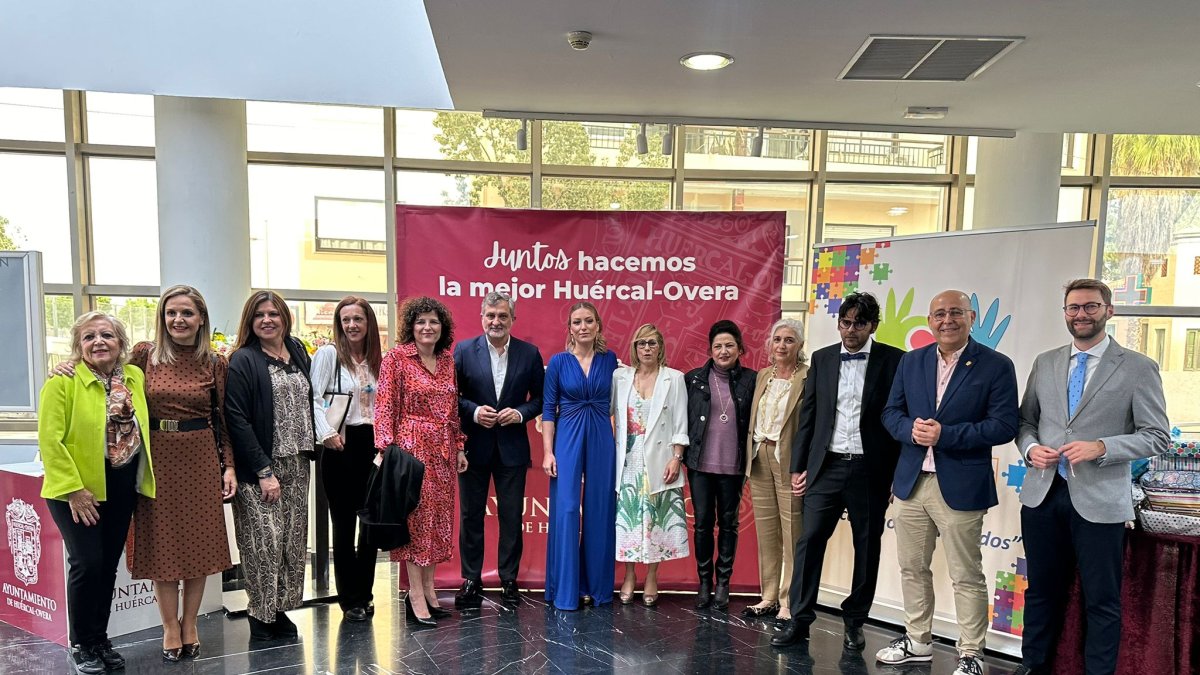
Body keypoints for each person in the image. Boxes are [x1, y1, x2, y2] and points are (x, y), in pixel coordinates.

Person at [47, 286, 237, 661]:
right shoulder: (144, 356)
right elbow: (99, 371)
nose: (178, 320)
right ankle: (167, 628)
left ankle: (190, 624)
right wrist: (65, 365)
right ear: (162, 318)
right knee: (162, 545)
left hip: (198, 456)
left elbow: (223, 420)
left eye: (186, 313)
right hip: (154, 460)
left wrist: (228, 464)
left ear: (201, 319)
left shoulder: (215, 362)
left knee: (198, 544)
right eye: (171, 313)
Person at [1013, 279, 1169, 675]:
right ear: (1064, 312)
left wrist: (1102, 447)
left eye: (1090, 307)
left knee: (1102, 600)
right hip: (1042, 495)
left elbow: (1157, 436)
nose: (1081, 314)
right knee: (1041, 592)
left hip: (1100, 500)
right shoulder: (1045, 361)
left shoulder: (1138, 367)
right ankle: (1033, 665)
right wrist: (1031, 449)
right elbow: (1026, 422)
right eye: (1073, 308)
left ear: (1109, 311)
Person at [877, 289, 1018, 675]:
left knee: (965, 574)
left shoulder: (996, 365)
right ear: (929, 321)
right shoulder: (912, 361)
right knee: (911, 568)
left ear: (970, 317)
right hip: (911, 482)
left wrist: (946, 435)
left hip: (961, 485)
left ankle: (971, 654)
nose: (947, 320)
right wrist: (910, 430)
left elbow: (1004, 425)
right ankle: (918, 641)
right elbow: (891, 413)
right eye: (939, 314)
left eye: (956, 312)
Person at [771, 292, 903, 650]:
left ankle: (855, 621)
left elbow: (899, 422)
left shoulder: (895, 361)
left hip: (870, 470)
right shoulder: (823, 358)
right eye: (845, 322)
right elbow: (809, 417)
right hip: (825, 467)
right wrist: (800, 466)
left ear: (873, 325)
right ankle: (799, 620)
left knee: (866, 546)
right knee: (809, 541)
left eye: (859, 323)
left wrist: (897, 473)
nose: (851, 330)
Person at [39, 312, 156, 674]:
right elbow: (50, 440)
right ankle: (81, 643)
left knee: (107, 566)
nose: (98, 342)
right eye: (89, 337)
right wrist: (74, 490)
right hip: (77, 487)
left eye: (107, 335)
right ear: (79, 346)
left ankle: (99, 639)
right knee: (86, 563)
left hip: (120, 484)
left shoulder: (134, 377)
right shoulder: (64, 382)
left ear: (121, 343)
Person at [225, 290, 316, 641]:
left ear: (284, 318)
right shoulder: (244, 360)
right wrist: (264, 471)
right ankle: (260, 614)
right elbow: (237, 418)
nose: (267, 320)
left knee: (292, 541)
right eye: (259, 314)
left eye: (273, 313)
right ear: (251, 321)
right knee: (263, 540)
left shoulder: (298, 351)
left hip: (298, 462)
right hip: (261, 467)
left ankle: (280, 608)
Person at [375, 296, 467, 626]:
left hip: (442, 452)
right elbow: (385, 405)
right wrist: (386, 450)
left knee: (438, 523)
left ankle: (429, 590)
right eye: (421, 322)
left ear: (442, 328)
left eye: (433, 322)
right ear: (411, 326)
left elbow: (453, 409)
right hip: (411, 451)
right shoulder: (397, 358)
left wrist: (458, 447)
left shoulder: (446, 361)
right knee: (415, 524)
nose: (427, 327)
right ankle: (414, 595)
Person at [453, 292, 544, 609]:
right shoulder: (463, 351)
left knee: (510, 518)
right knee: (470, 516)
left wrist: (519, 413)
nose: (496, 321)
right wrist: (475, 412)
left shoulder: (529, 353)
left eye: (502, 316)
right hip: (473, 447)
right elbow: (451, 396)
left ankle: (508, 579)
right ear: (482, 317)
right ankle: (471, 579)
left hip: (512, 449)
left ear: (512, 319)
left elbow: (541, 399)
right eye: (491, 315)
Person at [541, 301, 619, 610]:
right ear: (570, 328)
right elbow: (548, 409)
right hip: (568, 436)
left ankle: (595, 588)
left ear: (598, 326)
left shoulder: (610, 361)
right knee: (567, 509)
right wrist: (548, 452)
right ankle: (565, 588)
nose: (583, 326)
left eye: (589, 321)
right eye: (577, 322)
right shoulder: (558, 362)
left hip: (601, 435)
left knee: (600, 510)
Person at [310, 296, 383, 623]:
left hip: (373, 446)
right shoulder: (329, 355)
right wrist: (326, 432)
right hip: (339, 443)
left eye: (358, 319)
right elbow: (312, 397)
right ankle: (349, 598)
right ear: (339, 324)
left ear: (368, 323)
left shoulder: (380, 360)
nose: (352, 325)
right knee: (343, 524)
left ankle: (365, 593)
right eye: (346, 320)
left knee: (369, 526)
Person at [611, 324, 690, 606]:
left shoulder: (674, 379)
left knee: (656, 520)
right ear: (634, 347)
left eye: (652, 343)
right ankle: (629, 575)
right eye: (641, 343)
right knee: (629, 520)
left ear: (660, 348)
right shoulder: (620, 377)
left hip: (660, 460)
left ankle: (652, 576)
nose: (646, 348)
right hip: (628, 458)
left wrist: (676, 457)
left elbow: (681, 422)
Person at [684, 320, 756, 610]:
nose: (723, 351)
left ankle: (723, 583)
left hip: (733, 466)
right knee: (702, 524)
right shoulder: (693, 379)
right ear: (710, 350)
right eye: (718, 346)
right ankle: (704, 583)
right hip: (700, 464)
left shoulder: (752, 380)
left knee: (729, 525)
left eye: (729, 345)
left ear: (739, 348)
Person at [742, 318, 808, 622]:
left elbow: (811, 426)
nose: (782, 346)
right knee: (766, 532)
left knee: (792, 532)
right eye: (777, 339)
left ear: (800, 345)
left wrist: (804, 464)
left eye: (789, 340)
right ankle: (768, 595)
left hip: (789, 462)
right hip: (759, 457)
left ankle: (788, 599)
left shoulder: (808, 378)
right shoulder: (763, 376)